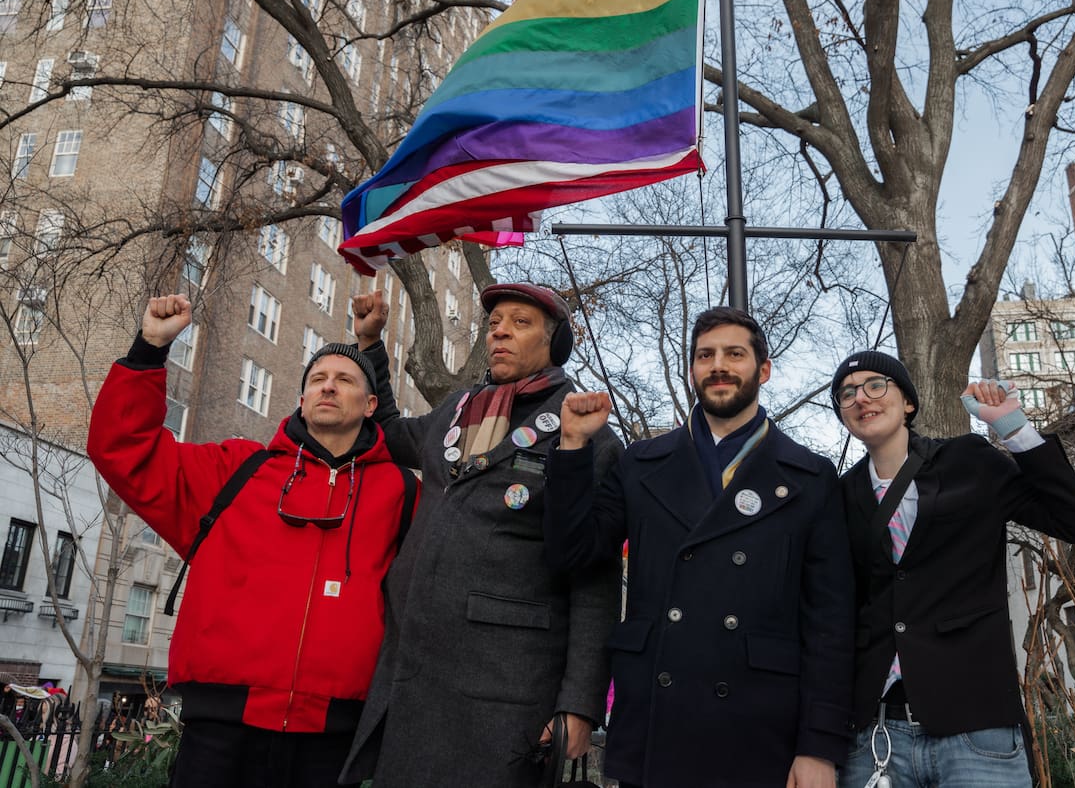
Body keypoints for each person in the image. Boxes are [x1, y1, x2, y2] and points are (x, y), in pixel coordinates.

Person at [87, 294, 417, 788]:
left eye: (345, 379)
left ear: (371, 405)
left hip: (335, 738)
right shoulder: (237, 470)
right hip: (220, 731)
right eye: (317, 380)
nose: (328, 386)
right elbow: (123, 449)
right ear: (301, 399)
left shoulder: (404, 492)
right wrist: (149, 351)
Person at [543, 306, 855, 788]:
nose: (718, 366)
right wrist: (571, 447)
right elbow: (573, 554)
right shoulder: (641, 463)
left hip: (762, 731)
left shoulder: (810, 477)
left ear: (763, 370)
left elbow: (830, 622)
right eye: (705, 355)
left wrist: (819, 746)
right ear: (692, 370)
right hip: (656, 722)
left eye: (735, 354)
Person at [340, 283, 622, 788]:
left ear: (554, 342)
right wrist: (369, 345)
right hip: (415, 678)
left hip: (506, 692)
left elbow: (595, 578)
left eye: (520, 322)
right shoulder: (456, 410)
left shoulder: (585, 431)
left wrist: (579, 704)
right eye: (494, 324)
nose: (500, 333)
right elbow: (384, 430)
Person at [829, 350, 1075, 788]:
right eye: (847, 393)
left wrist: (1012, 427)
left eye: (876, 385)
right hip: (875, 735)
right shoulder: (839, 496)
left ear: (908, 403)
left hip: (977, 727)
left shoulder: (968, 462)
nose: (861, 398)